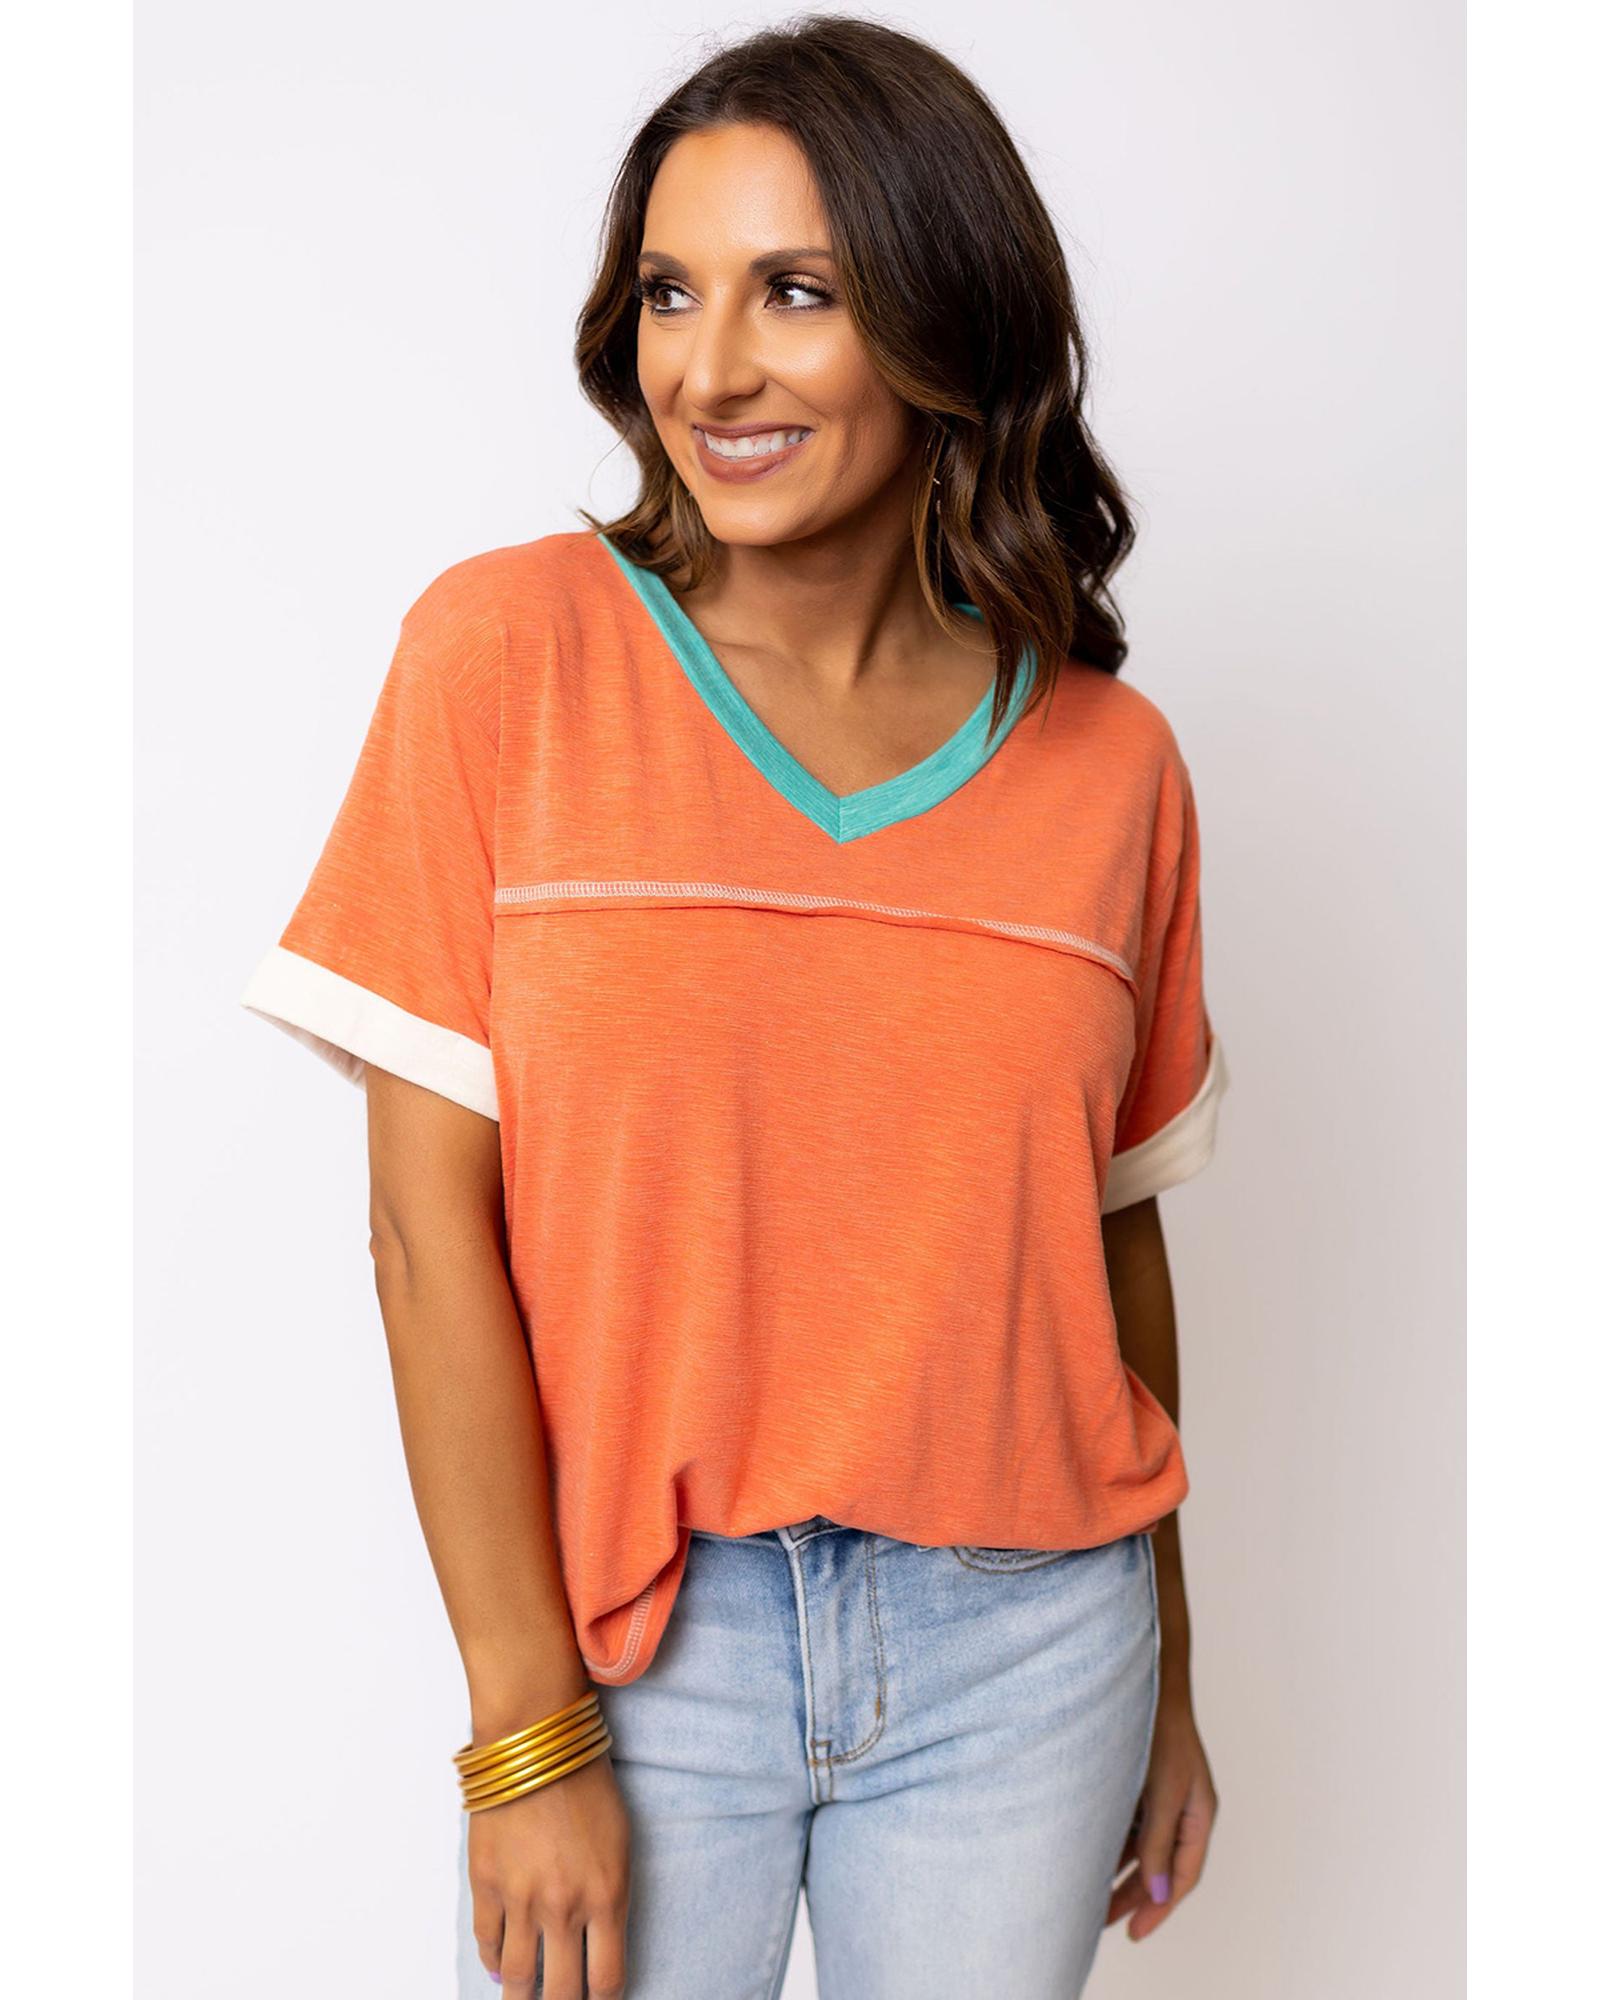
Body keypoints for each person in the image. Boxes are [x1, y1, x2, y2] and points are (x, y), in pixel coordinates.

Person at [239, 16, 1229, 1998]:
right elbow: (426, 1236)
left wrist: (1173, 1686)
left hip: (1032, 1657)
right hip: (636, 1649)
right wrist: (523, 1732)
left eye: (797, 292)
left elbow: (1106, 1255)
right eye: (670, 294)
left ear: (945, 317)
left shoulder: (1110, 767)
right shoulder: (506, 659)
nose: (707, 370)